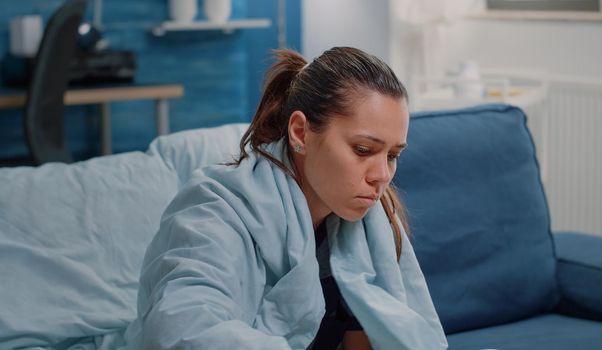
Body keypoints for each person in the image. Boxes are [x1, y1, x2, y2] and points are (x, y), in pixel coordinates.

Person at [132, 47, 448, 350]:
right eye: (363, 150)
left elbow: (374, 338)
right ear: (300, 132)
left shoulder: (371, 229)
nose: (381, 175)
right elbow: (180, 332)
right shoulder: (214, 212)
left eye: (392, 155)